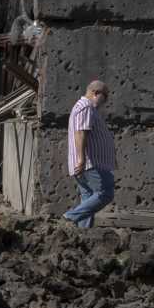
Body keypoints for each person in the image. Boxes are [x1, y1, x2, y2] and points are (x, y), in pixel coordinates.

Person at [62, 80, 116, 228]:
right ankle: (70, 217)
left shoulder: (86, 108)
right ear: (96, 93)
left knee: (88, 198)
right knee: (105, 193)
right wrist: (81, 160)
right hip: (90, 163)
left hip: (86, 163)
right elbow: (80, 133)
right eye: (105, 96)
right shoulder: (86, 106)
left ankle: (83, 233)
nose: (105, 101)